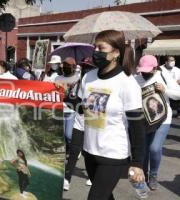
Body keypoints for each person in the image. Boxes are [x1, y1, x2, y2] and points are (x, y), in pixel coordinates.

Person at [78, 30, 145, 200]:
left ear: (116, 53)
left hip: (113, 154)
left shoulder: (127, 82)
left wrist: (137, 163)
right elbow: (80, 109)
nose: (96, 52)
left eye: (101, 48)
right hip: (90, 151)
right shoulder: (88, 77)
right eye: (94, 47)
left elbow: (137, 126)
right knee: (105, 196)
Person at [135, 55, 180, 190]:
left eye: (147, 71)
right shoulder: (135, 80)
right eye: (142, 71)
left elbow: (178, 93)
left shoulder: (163, 76)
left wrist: (165, 90)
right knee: (143, 150)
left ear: (155, 68)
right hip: (143, 120)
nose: (144, 73)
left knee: (154, 148)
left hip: (163, 119)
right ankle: (143, 175)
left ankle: (153, 174)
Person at [63, 58, 96, 191]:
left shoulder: (98, 82)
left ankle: (92, 176)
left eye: (88, 67)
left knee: (90, 152)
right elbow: (77, 101)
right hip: (79, 121)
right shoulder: (79, 81)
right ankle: (67, 178)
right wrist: (66, 95)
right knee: (74, 150)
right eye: (83, 66)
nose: (85, 69)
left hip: (94, 123)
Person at [55, 57, 80, 146]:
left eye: (68, 65)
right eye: (64, 65)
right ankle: (66, 152)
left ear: (73, 67)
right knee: (61, 135)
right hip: (60, 109)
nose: (65, 67)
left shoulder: (77, 79)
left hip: (71, 110)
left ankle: (75, 149)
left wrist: (69, 88)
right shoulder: (58, 78)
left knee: (68, 135)